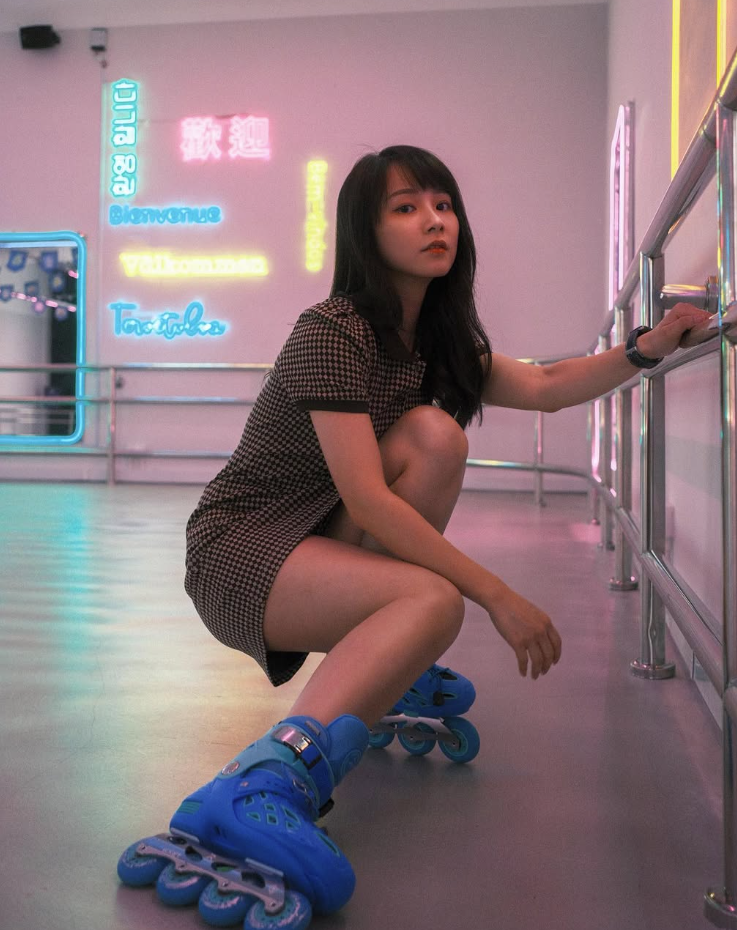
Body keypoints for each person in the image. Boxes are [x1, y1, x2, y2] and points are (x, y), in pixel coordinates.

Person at [118, 145, 715, 925]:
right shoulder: (332, 330)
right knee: (433, 602)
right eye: (405, 208)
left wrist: (647, 346)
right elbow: (368, 501)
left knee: (435, 436)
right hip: (240, 551)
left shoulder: (437, 339)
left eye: (442, 204)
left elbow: (544, 384)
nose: (434, 221)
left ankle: (384, 661)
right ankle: (259, 783)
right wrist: (496, 595)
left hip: (312, 536)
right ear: (366, 233)